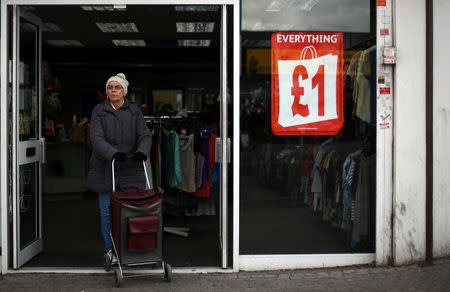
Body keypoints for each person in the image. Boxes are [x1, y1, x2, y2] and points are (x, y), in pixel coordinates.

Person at [86, 73, 151, 265]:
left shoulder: (134, 111)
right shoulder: (99, 111)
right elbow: (96, 138)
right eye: (110, 87)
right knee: (107, 212)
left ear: (124, 91)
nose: (113, 90)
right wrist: (113, 153)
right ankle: (111, 251)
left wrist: (142, 152)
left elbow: (145, 135)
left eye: (117, 87)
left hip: (131, 167)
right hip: (106, 168)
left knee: (132, 210)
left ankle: (132, 249)